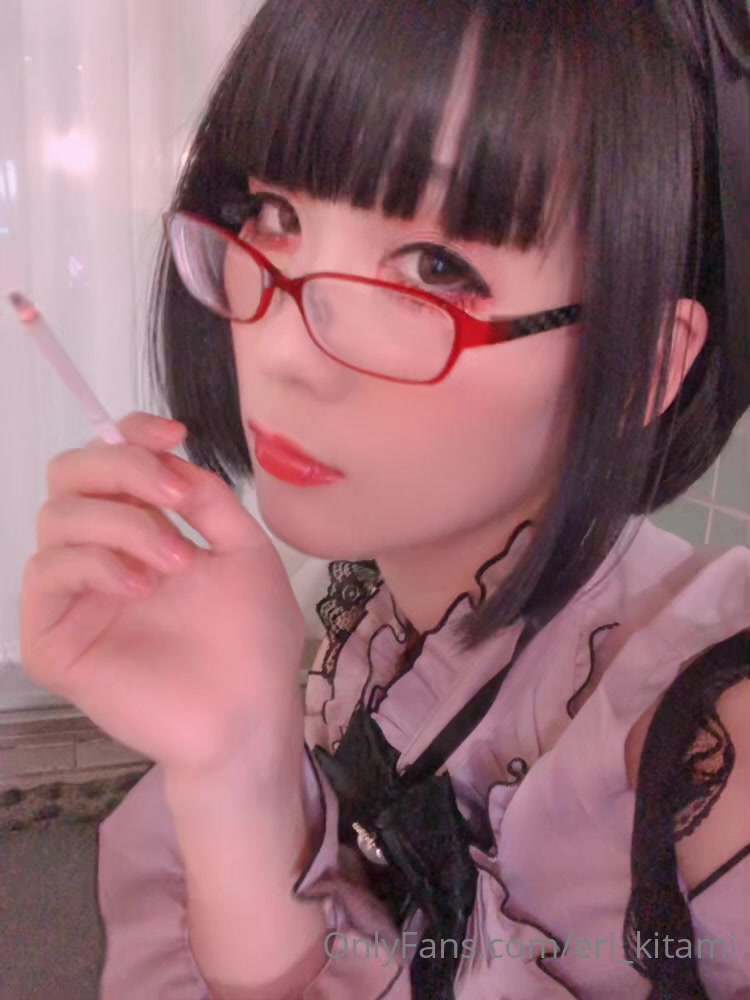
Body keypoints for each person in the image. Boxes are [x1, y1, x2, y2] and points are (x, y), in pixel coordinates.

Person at [19, 1, 750, 997]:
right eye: (276, 216)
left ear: (641, 366)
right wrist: (233, 760)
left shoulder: (708, 753)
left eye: (434, 268)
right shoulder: (372, 625)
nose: (281, 347)